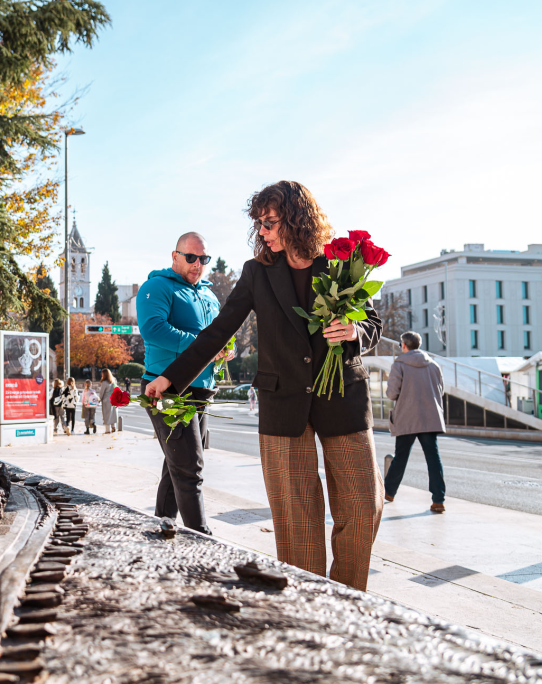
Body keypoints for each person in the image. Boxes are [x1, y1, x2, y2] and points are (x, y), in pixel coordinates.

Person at [146, 181, 384, 591]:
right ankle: (306, 603)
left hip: (343, 396)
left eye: (269, 222)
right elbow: (219, 331)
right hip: (282, 404)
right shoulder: (257, 272)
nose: (262, 231)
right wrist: (171, 378)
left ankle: (347, 597)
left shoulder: (340, 261)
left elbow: (372, 323)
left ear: (297, 218)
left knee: (363, 507)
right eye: (259, 223)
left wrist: (354, 332)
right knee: (296, 520)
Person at [136, 232, 231, 536]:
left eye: (203, 258)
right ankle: (201, 539)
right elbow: (153, 330)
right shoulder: (156, 287)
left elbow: (217, 337)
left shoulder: (209, 295)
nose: (197, 264)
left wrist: (223, 350)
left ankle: (162, 527)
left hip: (202, 389)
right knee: (190, 468)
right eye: (191, 257)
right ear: (174, 256)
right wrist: (204, 346)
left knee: (176, 465)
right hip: (167, 389)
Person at [384, 331, 447, 513]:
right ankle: (438, 500)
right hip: (430, 417)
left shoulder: (399, 365)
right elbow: (440, 391)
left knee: (401, 457)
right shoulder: (433, 365)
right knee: (433, 458)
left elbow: (392, 394)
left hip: (407, 417)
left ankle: (389, 493)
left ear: (404, 345)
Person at [99, 369, 119, 433]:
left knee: (106, 414)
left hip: (107, 400)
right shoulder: (114, 380)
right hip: (114, 399)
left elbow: (101, 392)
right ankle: (113, 426)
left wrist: (99, 399)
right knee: (113, 413)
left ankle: (107, 429)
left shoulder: (104, 382)